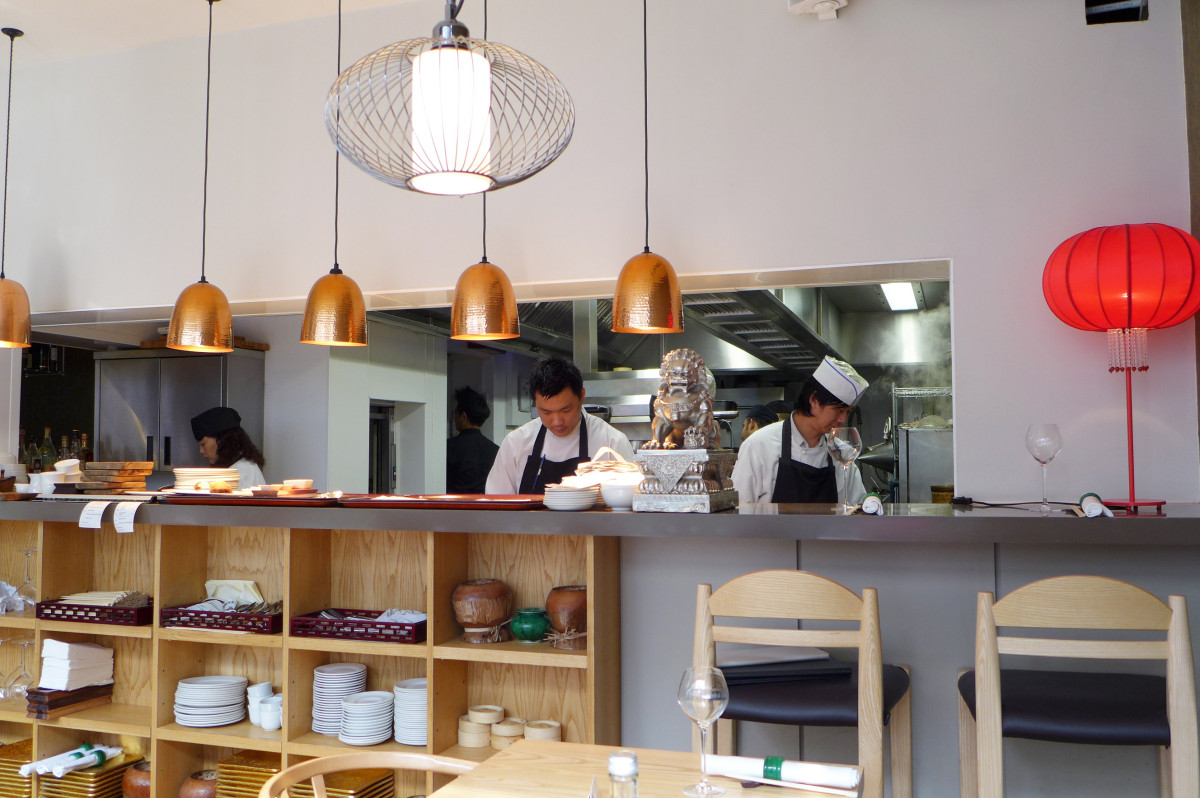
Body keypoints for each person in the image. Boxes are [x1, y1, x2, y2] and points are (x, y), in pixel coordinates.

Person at [486, 357, 635, 494]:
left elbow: (630, 503)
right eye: (546, 412)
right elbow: (498, 506)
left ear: (581, 396)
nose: (557, 421)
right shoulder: (516, 443)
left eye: (565, 410)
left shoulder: (612, 442)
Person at [731, 357, 868, 505]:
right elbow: (739, 513)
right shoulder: (758, 447)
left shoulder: (842, 454)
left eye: (847, 412)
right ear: (814, 400)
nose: (842, 419)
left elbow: (857, 511)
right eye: (838, 410)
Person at [190, 406, 266, 488]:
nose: (201, 451)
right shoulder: (234, 468)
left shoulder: (242, 471)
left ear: (222, 440)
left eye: (203, 444)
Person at [446, 386, 500, 494]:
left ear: (463, 416)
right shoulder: (495, 450)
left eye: (455, 414)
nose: (454, 418)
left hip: (454, 507)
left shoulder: (448, 447)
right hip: (484, 506)